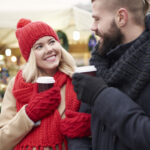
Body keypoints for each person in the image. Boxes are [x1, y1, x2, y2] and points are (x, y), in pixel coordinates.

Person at [0, 18, 91, 150]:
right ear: (30, 55)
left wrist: (89, 128)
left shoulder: (76, 81)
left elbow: (97, 130)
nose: (49, 49)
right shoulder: (17, 85)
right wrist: (29, 115)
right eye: (39, 46)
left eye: (52, 42)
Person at [71, 0, 150, 150]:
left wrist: (102, 96)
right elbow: (78, 129)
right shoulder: (100, 63)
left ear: (121, 17)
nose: (92, 27)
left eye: (97, 19)